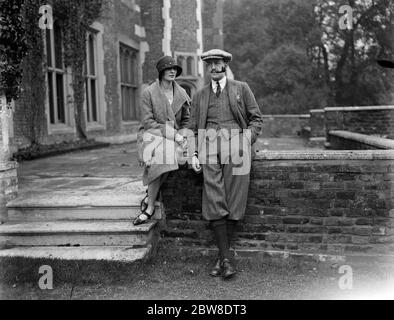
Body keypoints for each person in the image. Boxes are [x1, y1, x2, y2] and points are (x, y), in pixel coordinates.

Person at [188, 49, 263, 279]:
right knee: (215, 198)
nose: (213, 67)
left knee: (234, 199)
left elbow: (256, 119)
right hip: (209, 148)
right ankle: (226, 260)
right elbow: (191, 129)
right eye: (209, 64)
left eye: (217, 63)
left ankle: (223, 258)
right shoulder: (200, 95)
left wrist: (246, 140)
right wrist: (192, 154)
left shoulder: (241, 88)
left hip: (237, 149)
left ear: (225, 65)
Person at [134, 56, 190, 226]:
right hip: (153, 134)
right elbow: (148, 122)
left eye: (175, 69)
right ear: (161, 72)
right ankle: (150, 207)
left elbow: (187, 120)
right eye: (168, 68)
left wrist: (183, 135)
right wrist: (175, 136)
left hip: (175, 136)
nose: (172, 71)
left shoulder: (182, 93)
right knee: (162, 154)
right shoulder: (149, 93)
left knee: (176, 155)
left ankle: (150, 195)